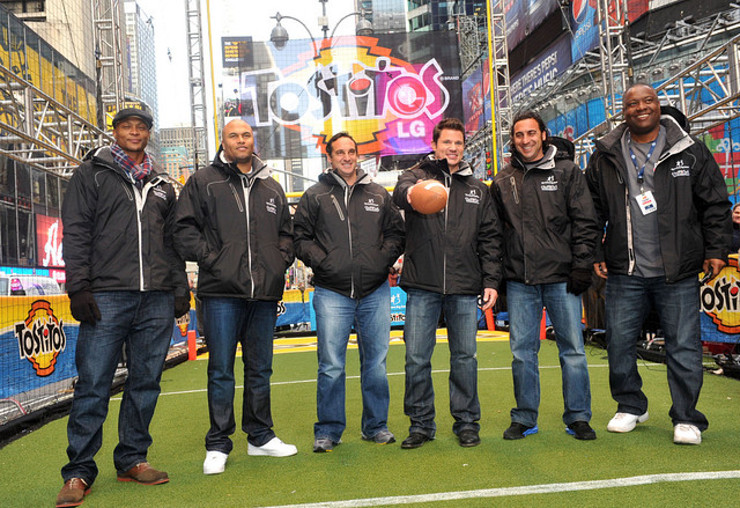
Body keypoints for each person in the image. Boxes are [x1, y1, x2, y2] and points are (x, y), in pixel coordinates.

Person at [585, 83, 732, 445]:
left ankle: (686, 417)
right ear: (624, 111)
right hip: (625, 269)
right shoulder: (605, 155)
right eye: (632, 103)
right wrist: (595, 251)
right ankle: (631, 404)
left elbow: (715, 203)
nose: (640, 108)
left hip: (677, 268)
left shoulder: (691, 150)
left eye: (647, 101)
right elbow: (590, 210)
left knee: (683, 344)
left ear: (658, 106)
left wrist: (716, 250)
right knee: (618, 342)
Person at [57, 108, 190, 507]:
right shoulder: (91, 174)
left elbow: (174, 243)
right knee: (94, 384)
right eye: (127, 126)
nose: (134, 132)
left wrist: (179, 287)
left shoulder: (164, 184)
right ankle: (79, 471)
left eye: (141, 127)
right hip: (107, 296)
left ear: (149, 134)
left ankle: (132, 458)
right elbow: (76, 230)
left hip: (156, 298)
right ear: (115, 132)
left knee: (146, 382)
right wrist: (78, 286)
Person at [174, 119, 297, 475]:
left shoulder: (272, 187)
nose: (241, 140)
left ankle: (260, 436)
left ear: (252, 140)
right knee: (221, 370)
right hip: (219, 293)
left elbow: (286, 235)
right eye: (233, 135)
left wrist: (278, 262)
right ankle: (218, 443)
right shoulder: (202, 181)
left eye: (246, 135)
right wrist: (214, 260)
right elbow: (182, 230)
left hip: (263, 295)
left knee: (260, 369)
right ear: (223, 142)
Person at [391, 118, 502, 449]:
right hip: (423, 285)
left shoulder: (478, 190)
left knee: (465, 357)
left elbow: (490, 239)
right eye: (446, 142)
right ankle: (421, 424)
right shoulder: (416, 176)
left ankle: (467, 421)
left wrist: (491, 279)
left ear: (463, 147)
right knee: (416, 358)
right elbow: (400, 194)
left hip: (465, 285)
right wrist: (414, 192)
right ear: (435, 144)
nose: (452, 148)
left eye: (458, 143)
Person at [491, 112, 600, 441]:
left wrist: (582, 265)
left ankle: (578, 416)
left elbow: (585, 221)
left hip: (562, 278)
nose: (525, 140)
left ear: (544, 135)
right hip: (520, 281)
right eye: (519, 135)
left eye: (531, 133)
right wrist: (497, 278)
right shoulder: (502, 180)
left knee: (573, 351)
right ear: (513, 139)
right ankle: (524, 417)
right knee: (522, 353)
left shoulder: (568, 172)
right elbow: (494, 234)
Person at [293, 132, 405, 453]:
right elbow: (299, 237)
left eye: (351, 151)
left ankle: (376, 426)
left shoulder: (377, 193)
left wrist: (381, 260)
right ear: (330, 157)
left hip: (374, 290)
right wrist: (324, 262)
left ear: (358, 155)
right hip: (332, 291)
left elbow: (397, 234)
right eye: (339, 152)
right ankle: (328, 430)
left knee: (376, 364)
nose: (346, 157)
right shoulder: (315, 195)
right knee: (331, 365)